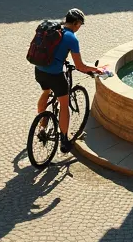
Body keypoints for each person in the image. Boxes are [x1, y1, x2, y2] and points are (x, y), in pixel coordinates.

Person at [34, 8, 101, 153]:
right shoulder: (72, 38)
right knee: (64, 105)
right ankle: (64, 140)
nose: (79, 28)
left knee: (46, 92)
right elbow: (80, 66)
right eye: (80, 25)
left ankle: (42, 127)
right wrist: (96, 70)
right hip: (55, 75)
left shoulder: (54, 29)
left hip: (39, 70)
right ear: (76, 23)